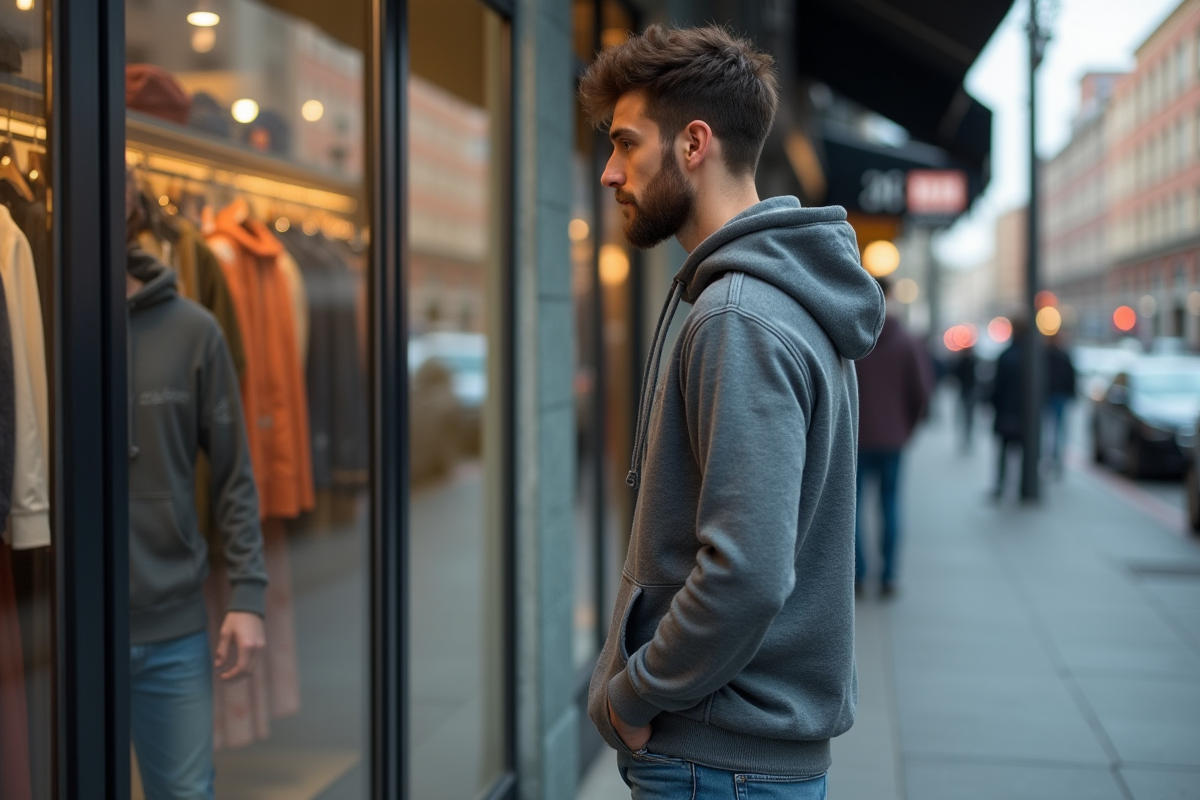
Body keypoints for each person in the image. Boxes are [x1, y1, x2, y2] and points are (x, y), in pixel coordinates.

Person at [579, 25, 885, 799]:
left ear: (693, 143)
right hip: (738, 756)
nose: (610, 173)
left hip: (715, 760)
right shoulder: (781, 300)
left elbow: (745, 574)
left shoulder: (737, 317)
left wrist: (635, 692)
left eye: (625, 143)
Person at [125, 174, 266, 800]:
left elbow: (234, 472)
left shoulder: (193, 329)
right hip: (58, 629)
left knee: (183, 793)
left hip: (173, 628)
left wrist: (247, 596)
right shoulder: (41, 314)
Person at [854, 277, 933, 596]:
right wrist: (906, 429)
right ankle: (888, 577)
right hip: (892, 440)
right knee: (890, 505)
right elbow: (922, 393)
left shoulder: (851, 336)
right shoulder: (906, 342)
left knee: (853, 509)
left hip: (855, 440)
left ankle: (857, 575)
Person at [988, 317, 1029, 500]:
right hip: (1025, 414)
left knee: (1003, 453)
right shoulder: (1032, 356)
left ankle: (1000, 486)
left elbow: (997, 386)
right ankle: (1022, 489)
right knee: (1024, 454)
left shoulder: (1006, 355)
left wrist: (993, 405)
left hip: (1006, 411)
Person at [1045, 334, 1077, 475]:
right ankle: (1055, 458)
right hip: (1056, 396)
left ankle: (1054, 458)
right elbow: (1070, 377)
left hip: (1055, 395)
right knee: (1057, 429)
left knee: (1054, 429)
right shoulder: (1061, 356)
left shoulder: (1046, 355)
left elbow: (1070, 377)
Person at [951, 344, 979, 451]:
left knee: (967, 415)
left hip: (968, 392)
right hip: (967, 391)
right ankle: (966, 436)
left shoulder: (968, 361)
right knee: (967, 415)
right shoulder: (970, 361)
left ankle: (967, 436)